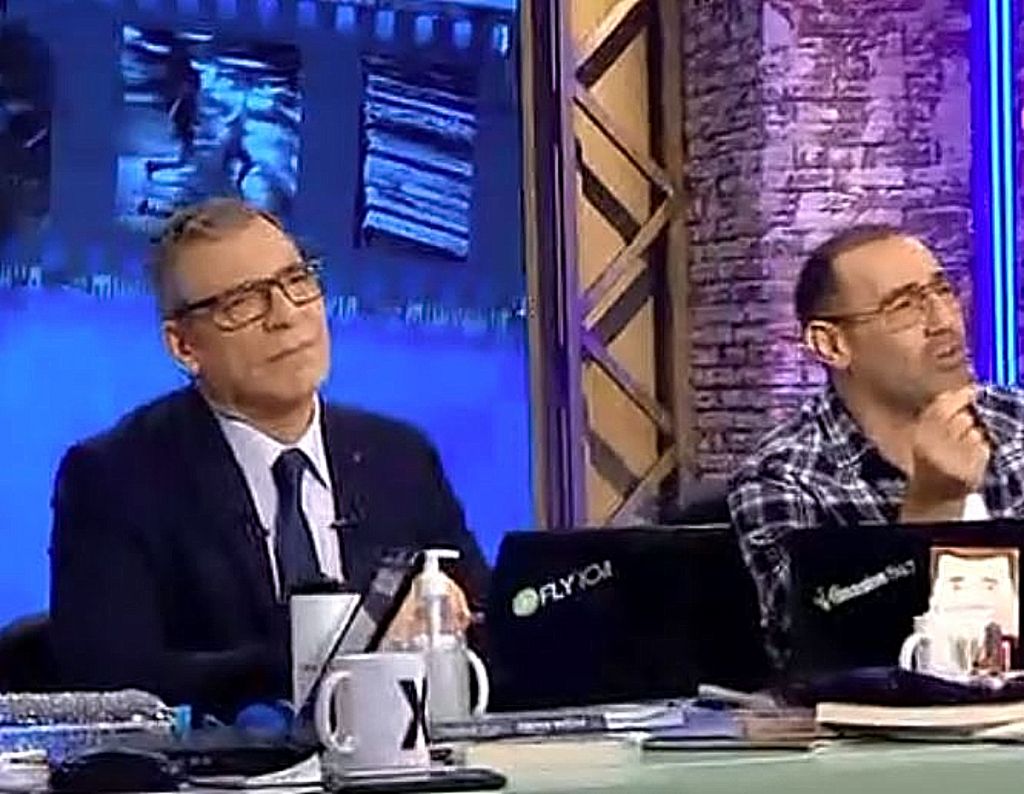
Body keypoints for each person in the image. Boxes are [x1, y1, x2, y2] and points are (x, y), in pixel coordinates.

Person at [49, 197, 489, 718]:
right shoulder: (115, 478)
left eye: (296, 280)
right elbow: (109, 682)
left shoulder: (401, 458)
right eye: (242, 302)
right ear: (184, 346)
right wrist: (339, 651)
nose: (286, 315)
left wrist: (448, 623)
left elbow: (489, 631)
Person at [728, 224, 1024, 668]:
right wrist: (932, 506)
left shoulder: (1017, 423)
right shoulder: (784, 479)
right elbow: (821, 655)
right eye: (904, 306)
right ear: (831, 344)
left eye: (943, 291)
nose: (944, 322)